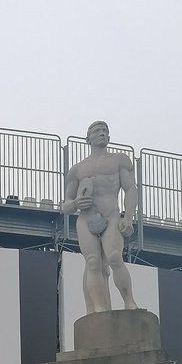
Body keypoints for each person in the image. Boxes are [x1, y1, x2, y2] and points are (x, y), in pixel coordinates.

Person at [62, 121, 140, 313]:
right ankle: (98, 310)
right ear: (88, 138)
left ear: (109, 137)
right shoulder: (77, 169)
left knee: (114, 257)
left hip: (111, 214)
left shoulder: (119, 160)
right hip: (86, 219)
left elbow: (130, 189)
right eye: (97, 131)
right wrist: (75, 204)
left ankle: (129, 301)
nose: (102, 133)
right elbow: (66, 205)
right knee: (93, 262)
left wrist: (128, 217)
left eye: (105, 131)